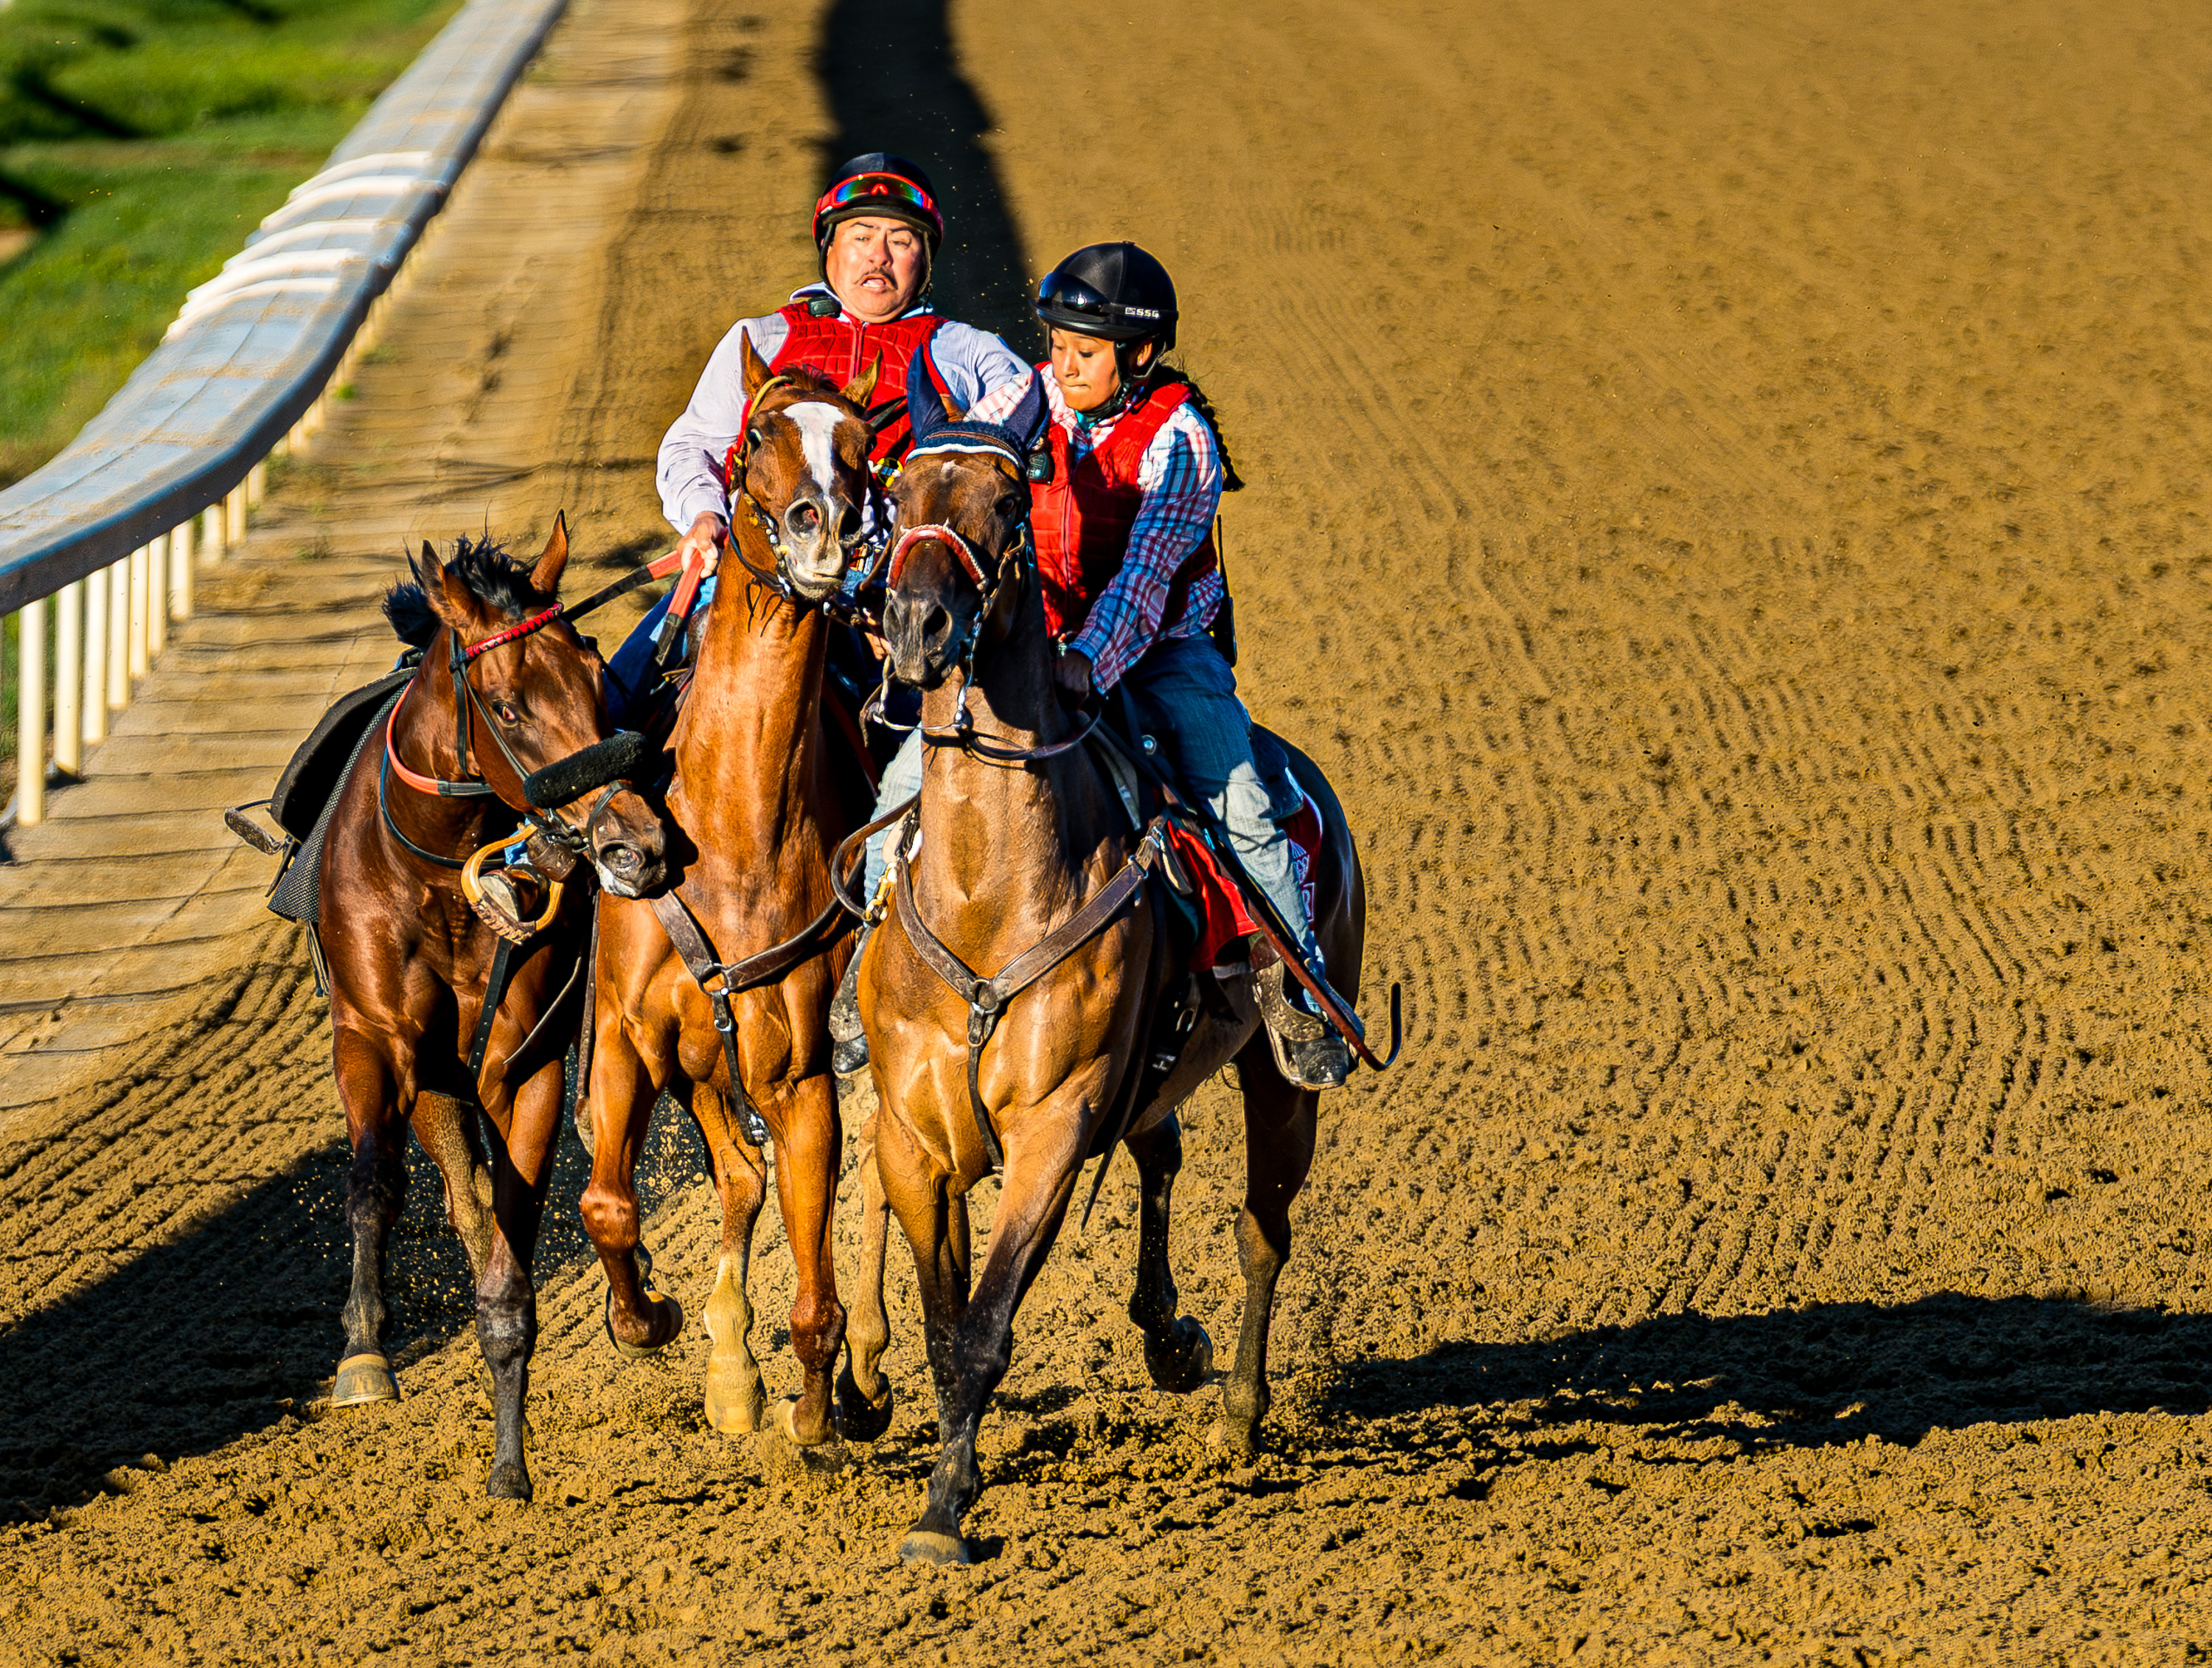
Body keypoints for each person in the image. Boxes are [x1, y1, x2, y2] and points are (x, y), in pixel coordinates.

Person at [831, 241, 1353, 1090]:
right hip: (1038, 640)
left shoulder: (1181, 440)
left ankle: (1298, 988)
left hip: (1163, 654)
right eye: (1056, 345)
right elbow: (963, 458)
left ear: (1140, 357)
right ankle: (865, 967)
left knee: (1244, 804)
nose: (1059, 365)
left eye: (1083, 352)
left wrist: (1088, 662)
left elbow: (1146, 582)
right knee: (902, 785)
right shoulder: (1032, 392)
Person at [606, 153, 1032, 719]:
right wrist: (704, 515)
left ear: (924, 262)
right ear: (829, 248)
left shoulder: (969, 353)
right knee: (615, 704)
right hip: (752, 570)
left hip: (894, 598)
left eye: (902, 241)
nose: (879, 255)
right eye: (861, 236)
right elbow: (693, 447)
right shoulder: (761, 337)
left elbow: (1011, 457)